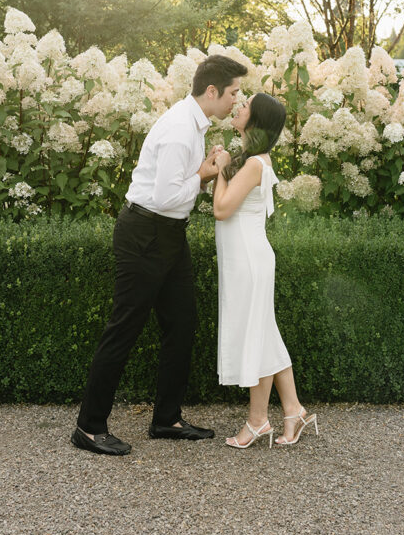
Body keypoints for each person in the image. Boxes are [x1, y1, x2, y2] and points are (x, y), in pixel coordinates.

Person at [72, 54, 248, 456]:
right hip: (144, 234)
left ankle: (166, 419)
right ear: (211, 91)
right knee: (125, 328)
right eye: (234, 92)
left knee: (182, 323)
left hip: (169, 232)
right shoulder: (179, 130)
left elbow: (175, 191)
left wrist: (200, 173)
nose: (237, 101)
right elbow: (168, 195)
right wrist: (204, 174)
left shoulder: (194, 123)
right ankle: (88, 426)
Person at [213, 93, 317, 449]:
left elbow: (222, 210)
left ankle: (258, 421)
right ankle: (294, 410)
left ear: (255, 120)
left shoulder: (254, 162)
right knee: (266, 333)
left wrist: (220, 170)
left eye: (245, 106)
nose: (238, 107)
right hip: (247, 256)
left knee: (256, 335)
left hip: (249, 258)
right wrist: (226, 165)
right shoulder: (250, 159)